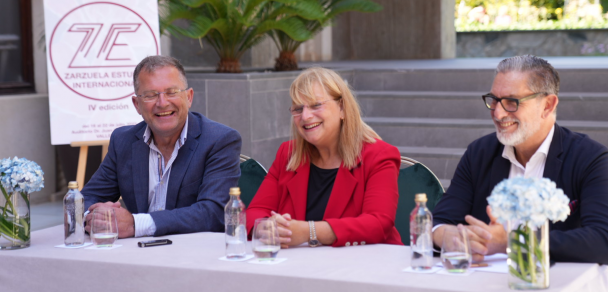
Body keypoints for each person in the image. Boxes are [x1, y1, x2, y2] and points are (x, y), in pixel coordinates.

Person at [432, 55, 608, 265]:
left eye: (511, 102)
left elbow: (606, 242)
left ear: (548, 105)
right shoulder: (479, 153)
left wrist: (512, 242)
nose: (498, 113)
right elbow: (439, 223)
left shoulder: (590, 157)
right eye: (494, 100)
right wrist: (454, 238)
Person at [81, 55, 241, 238]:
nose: (162, 103)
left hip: (194, 253)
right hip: (135, 253)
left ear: (188, 97)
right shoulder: (123, 141)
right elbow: (85, 200)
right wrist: (95, 217)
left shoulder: (219, 140)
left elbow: (214, 212)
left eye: (172, 92)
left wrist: (136, 224)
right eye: (150, 95)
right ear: (137, 105)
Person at [246, 67, 402, 247]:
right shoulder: (288, 154)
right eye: (298, 109)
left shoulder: (378, 156)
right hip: (297, 266)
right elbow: (255, 212)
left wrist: (309, 232)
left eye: (316, 105)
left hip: (366, 267)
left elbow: (378, 224)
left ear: (342, 108)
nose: (305, 116)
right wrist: (267, 228)